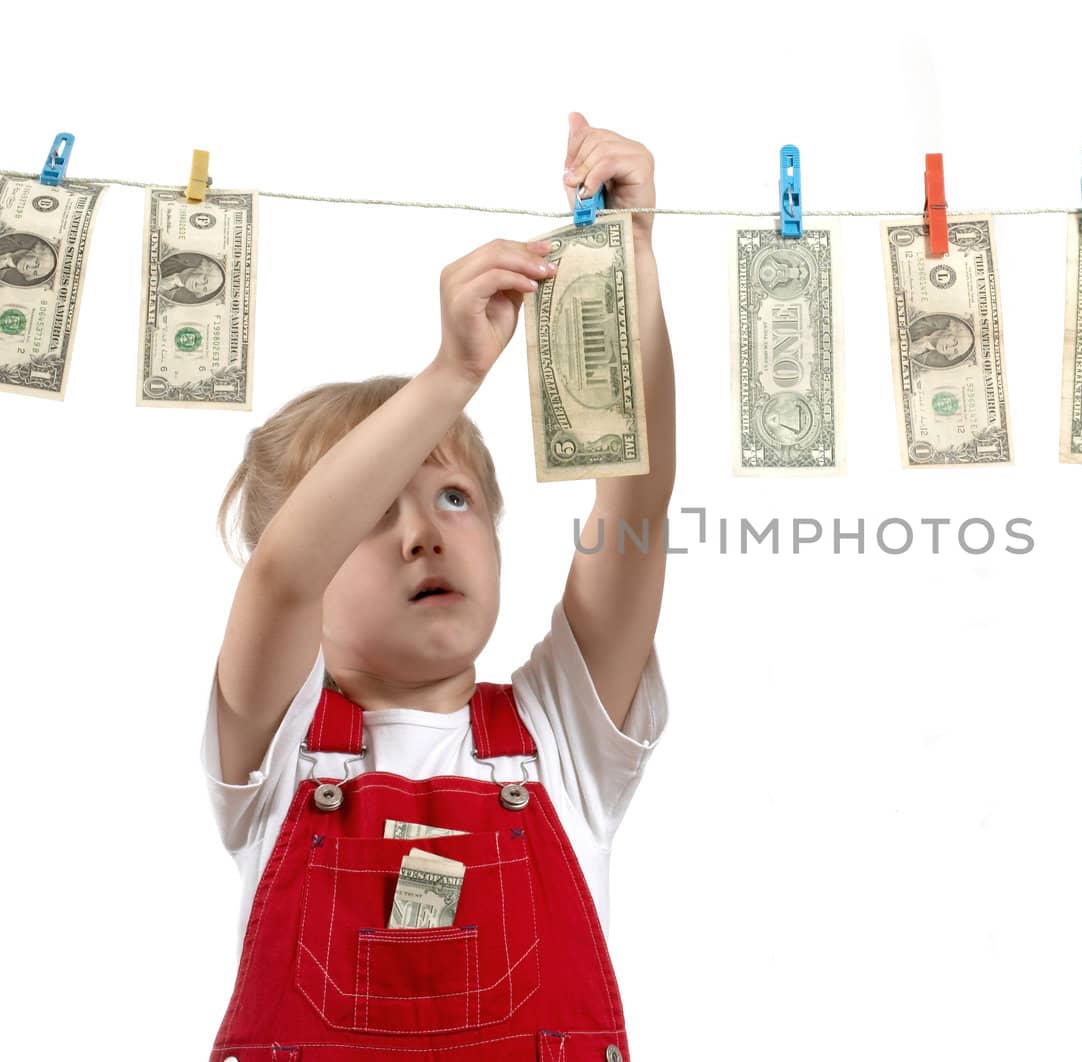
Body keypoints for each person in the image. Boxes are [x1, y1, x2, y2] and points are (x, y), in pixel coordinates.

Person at [200, 112, 676, 1060]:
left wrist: (627, 264)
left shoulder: (563, 736)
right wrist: (455, 373)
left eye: (453, 496)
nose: (421, 534)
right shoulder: (272, 748)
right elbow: (284, 578)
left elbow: (639, 492)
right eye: (376, 507)